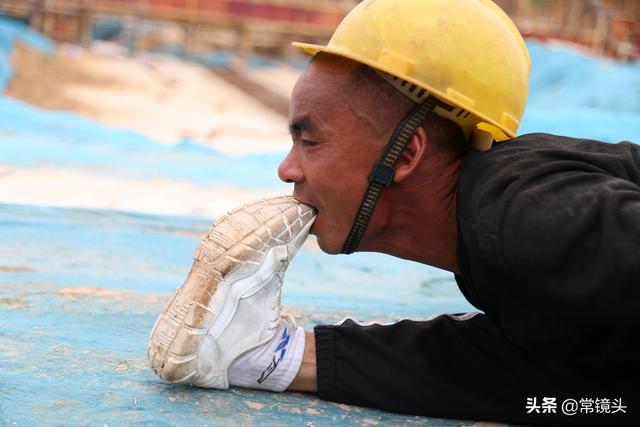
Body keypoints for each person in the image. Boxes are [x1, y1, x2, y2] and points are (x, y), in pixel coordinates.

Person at [148, 0, 640, 425]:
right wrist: (281, 361)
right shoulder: (497, 235)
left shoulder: (526, 216)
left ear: (406, 155)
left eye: (310, 140)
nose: (286, 169)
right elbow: (538, 373)